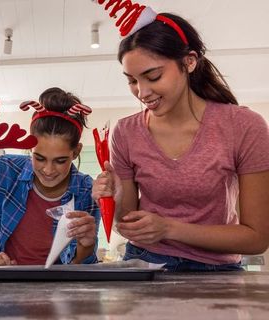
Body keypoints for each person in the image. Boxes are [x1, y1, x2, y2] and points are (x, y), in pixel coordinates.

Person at [92, 11, 269, 271]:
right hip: (144, 263)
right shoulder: (126, 132)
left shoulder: (243, 126)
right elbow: (128, 224)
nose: (142, 93)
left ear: (189, 62)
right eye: (132, 81)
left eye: (153, 77)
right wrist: (112, 197)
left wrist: (169, 229)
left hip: (216, 271)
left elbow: (256, 239)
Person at [0, 88, 101, 266]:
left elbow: (81, 265)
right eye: (39, 158)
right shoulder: (4, 170)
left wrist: (87, 246)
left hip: (58, 287)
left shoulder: (87, 190)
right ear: (29, 146)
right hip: (7, 282)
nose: (48, 170)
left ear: (76, 152)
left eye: (60, 161)